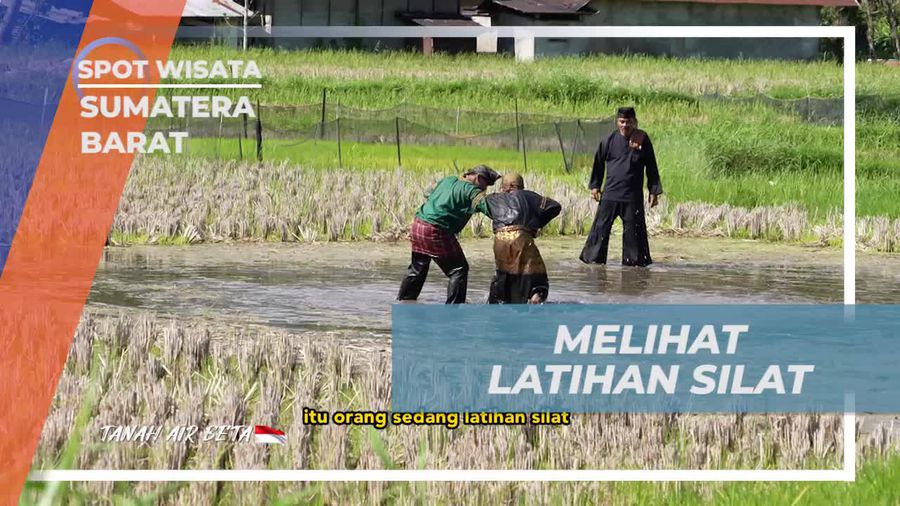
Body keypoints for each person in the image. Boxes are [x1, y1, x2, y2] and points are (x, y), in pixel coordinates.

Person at [397, 165, 500, 304]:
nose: (485, 189)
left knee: (418, 267)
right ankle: (453, 311)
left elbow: (428, 193)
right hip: (436, 230)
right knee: (458, 270)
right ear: (478, 177)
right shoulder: (471, 190)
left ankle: (404, 302)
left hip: (418, 224)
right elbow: (487, 208)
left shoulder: (448, 180)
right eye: (486, 184)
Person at [580, 107, 663, 267]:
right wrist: (595, 185)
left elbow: (651, 166)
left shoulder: (642, 140)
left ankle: (634, 266)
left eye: (629, 122)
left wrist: (654, 190)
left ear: (635, 122)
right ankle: (593, 262)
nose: (625, 125)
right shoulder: (609, 140)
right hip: (610, 195)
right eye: (622, 122)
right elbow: (598, 163)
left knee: (634, 235)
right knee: (600, 230)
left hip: (632, 197)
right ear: (617, 122)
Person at [486, 173, 561, 304]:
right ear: (517, 186)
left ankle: (499, 300)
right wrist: (536, 223)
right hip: (521, 237)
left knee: (503, 273)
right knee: (535, 273)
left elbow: (477, 203)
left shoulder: (493, 198)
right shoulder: (529, 196)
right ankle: (535, 295)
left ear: (508, 186)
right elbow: (555, 206)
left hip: (500, 239)